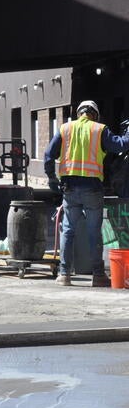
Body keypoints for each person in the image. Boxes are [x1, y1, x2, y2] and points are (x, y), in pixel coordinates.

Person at [44, 100, 129, 287]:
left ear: (79, 113)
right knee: (94, 232)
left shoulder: (65, 129)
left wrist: (51, 179)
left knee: (68, 230)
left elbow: (48, 155)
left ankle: (64, 274)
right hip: (92, 189)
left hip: (69, 189)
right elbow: (121, 145)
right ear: (95, 114)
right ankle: (98, 275)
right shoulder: (100, 130)